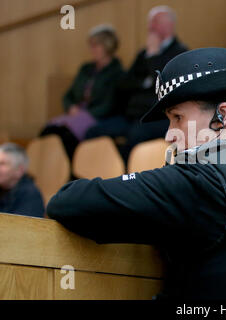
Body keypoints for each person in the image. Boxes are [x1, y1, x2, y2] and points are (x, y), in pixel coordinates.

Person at [47, 47, 226, 300]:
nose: (170, 135)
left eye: (178, 118)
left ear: (222, 115)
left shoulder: (203, 182)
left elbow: (68, 201)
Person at [85, 6, 188, 162]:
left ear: (169, 25)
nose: (150, 27)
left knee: (136, 136)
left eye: (155, 22)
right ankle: (94, 173)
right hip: (132, 115)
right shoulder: (143, 53)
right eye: (150, 23)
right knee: (93, 132)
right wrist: (144, 81)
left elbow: (163, 85)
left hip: (159, 117)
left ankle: (122, 177)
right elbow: (124, 83)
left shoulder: (180, 53)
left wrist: (153, 57)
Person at [41, 24, 124, 159]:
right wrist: (71, 108)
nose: (91, 50)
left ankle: (69, 171)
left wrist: (83, 114)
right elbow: (68, 95)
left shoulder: (117, 72)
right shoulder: (86, 69)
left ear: (107, 46)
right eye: (91, 45)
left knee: (67, 134)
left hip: (96, 116)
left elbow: (109, 104)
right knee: (49, 131)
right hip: (76, 113)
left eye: (95, 46)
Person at [0, 143, 44, 218]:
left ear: (19, 170)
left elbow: (21, 228)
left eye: (2, 164)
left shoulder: (30, 195)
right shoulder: (3, 188)